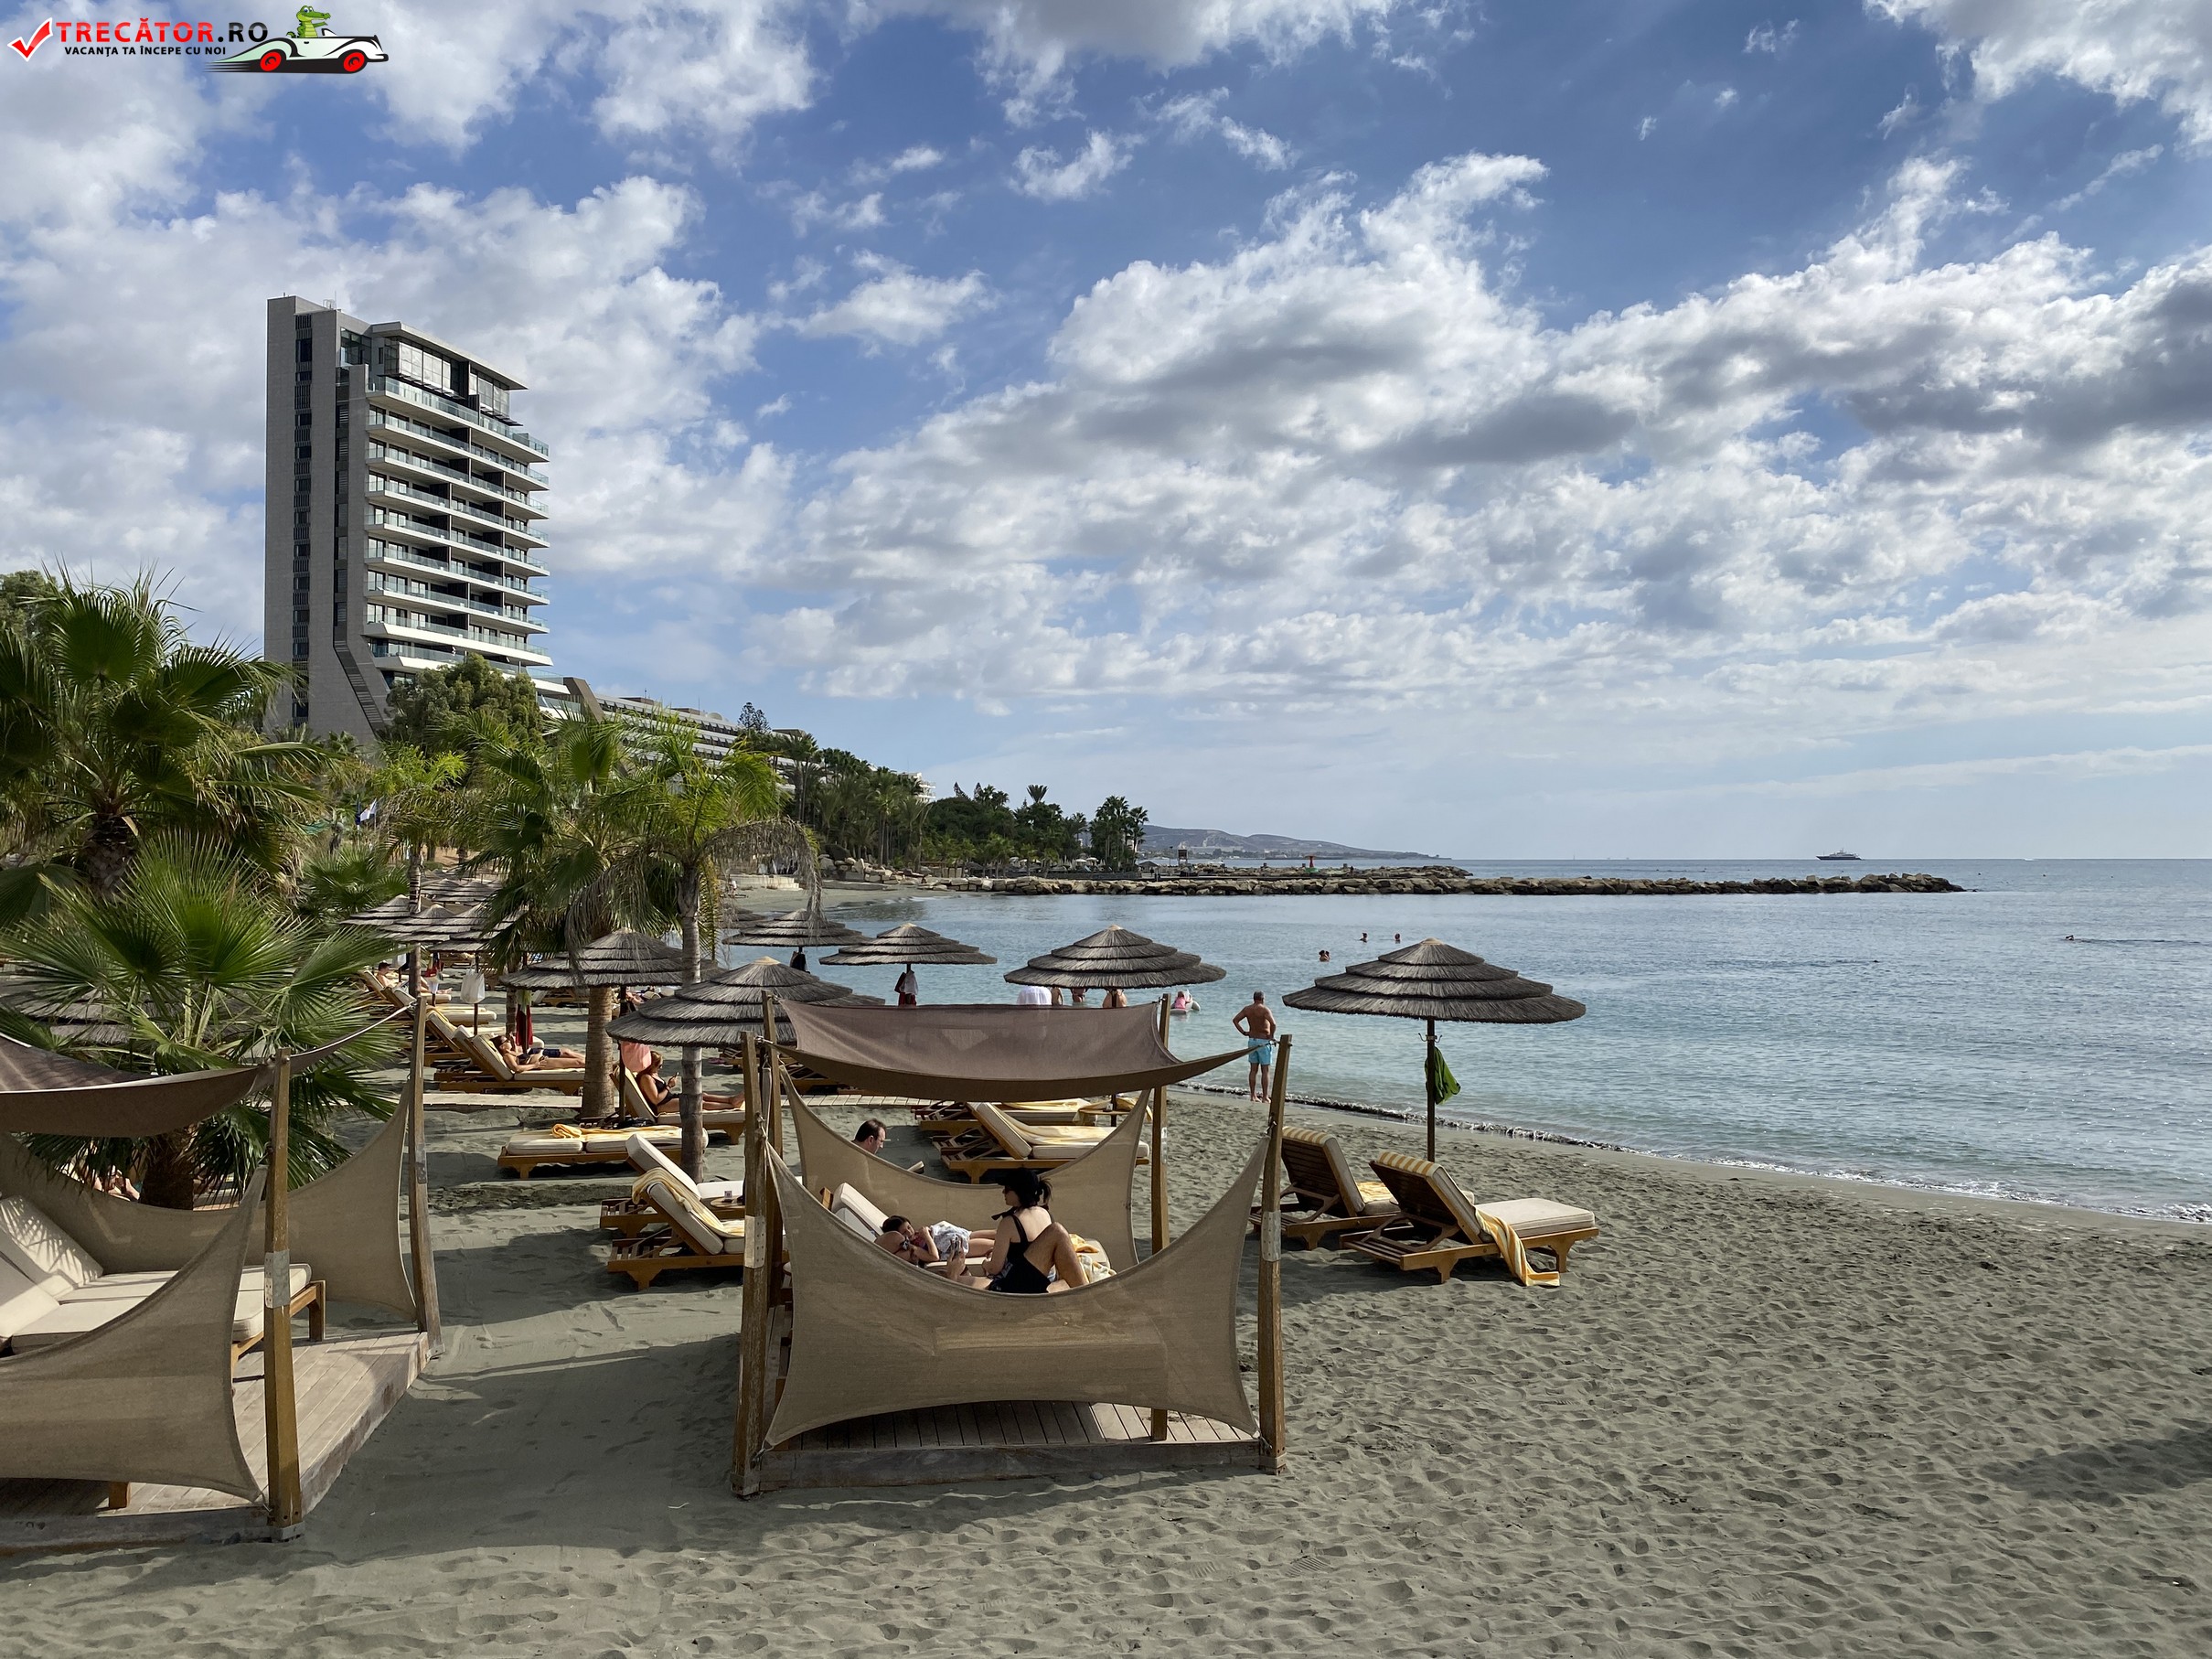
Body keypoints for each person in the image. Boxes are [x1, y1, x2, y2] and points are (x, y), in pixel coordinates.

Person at [963, 1169, 1086, 1294]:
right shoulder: (1045, 1214)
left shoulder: (1010, 1222)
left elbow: (995, 1268)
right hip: (1046, 1278)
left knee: (1058, 1231)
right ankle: (1086, 1291)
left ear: (1019, 1192)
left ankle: (1086, 1294)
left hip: (1018, 1285)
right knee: (1057, 1231)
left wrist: (985, 1264)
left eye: (1007, 1189)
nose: (1003, 1192)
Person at [1233, 991, 1277, 1102]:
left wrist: (1244, 1032)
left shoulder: (1247, 1009)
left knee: (1253, 1070)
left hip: (1252, 1040)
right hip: (1263, 1041)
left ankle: (1253, 1095)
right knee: (1265, 1070)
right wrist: (1271, 1036)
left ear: (1254, 999)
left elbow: (1235, 1020)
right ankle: (1265, 1097)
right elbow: (1273, 1024)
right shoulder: (1265, 1010)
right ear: (1263, 999)